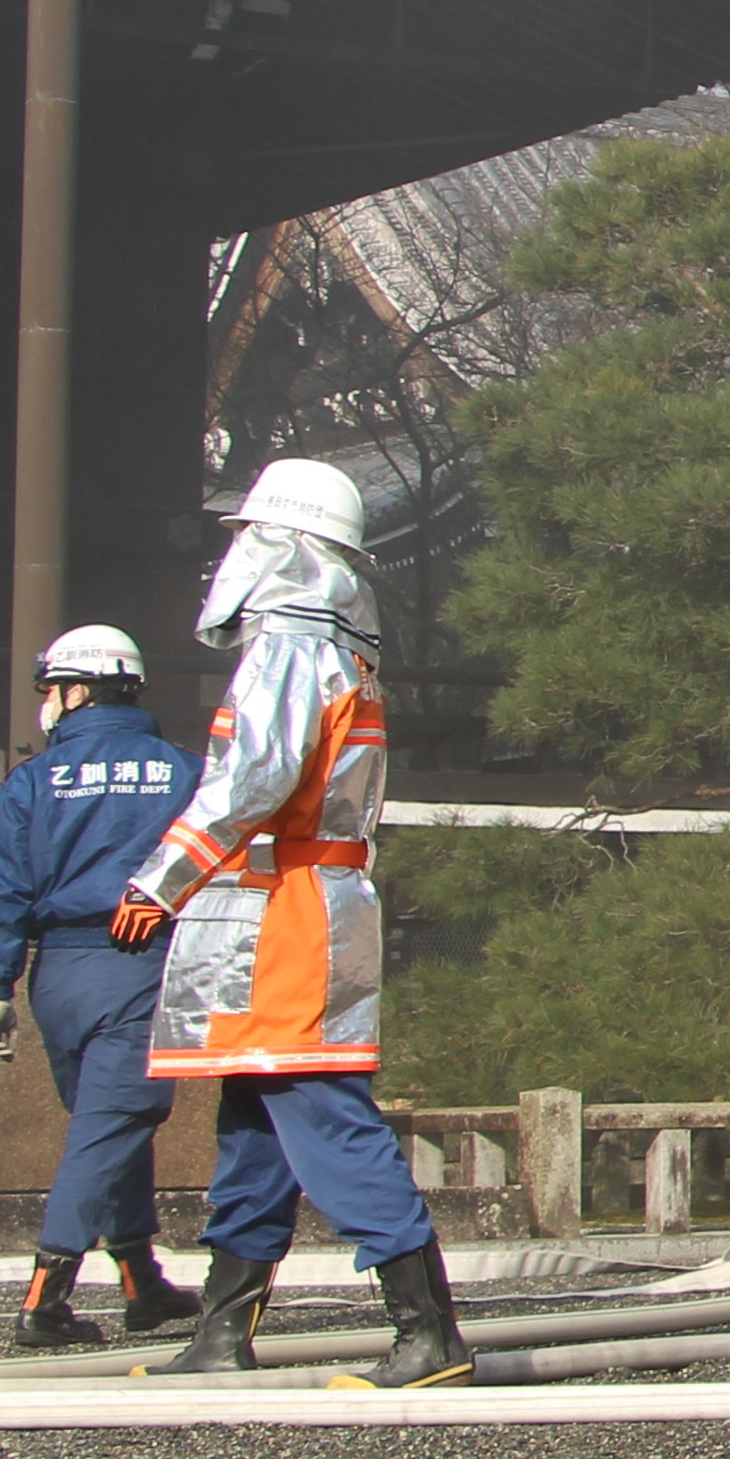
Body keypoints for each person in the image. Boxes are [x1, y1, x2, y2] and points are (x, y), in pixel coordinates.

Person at [127, 460, 468, 1388]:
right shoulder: (340, 653)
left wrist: (160, 880)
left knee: (320, 1116)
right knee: (257, 1125)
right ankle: (221, 1330)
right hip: (298, 904)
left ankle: (426, 1330)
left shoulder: (290, 649)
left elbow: (254, 781)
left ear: (282, 547)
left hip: (287, 914)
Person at [0, 622, 198, 1351]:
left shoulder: (31, 780)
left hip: (56, 974)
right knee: (110, 1128)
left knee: (107, 1124)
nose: (47, 706)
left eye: (51, 690)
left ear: (77, 691)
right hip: (141, 960)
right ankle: (46, 1298)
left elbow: (0, 884)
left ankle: (139, 1278)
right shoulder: (183, 770)